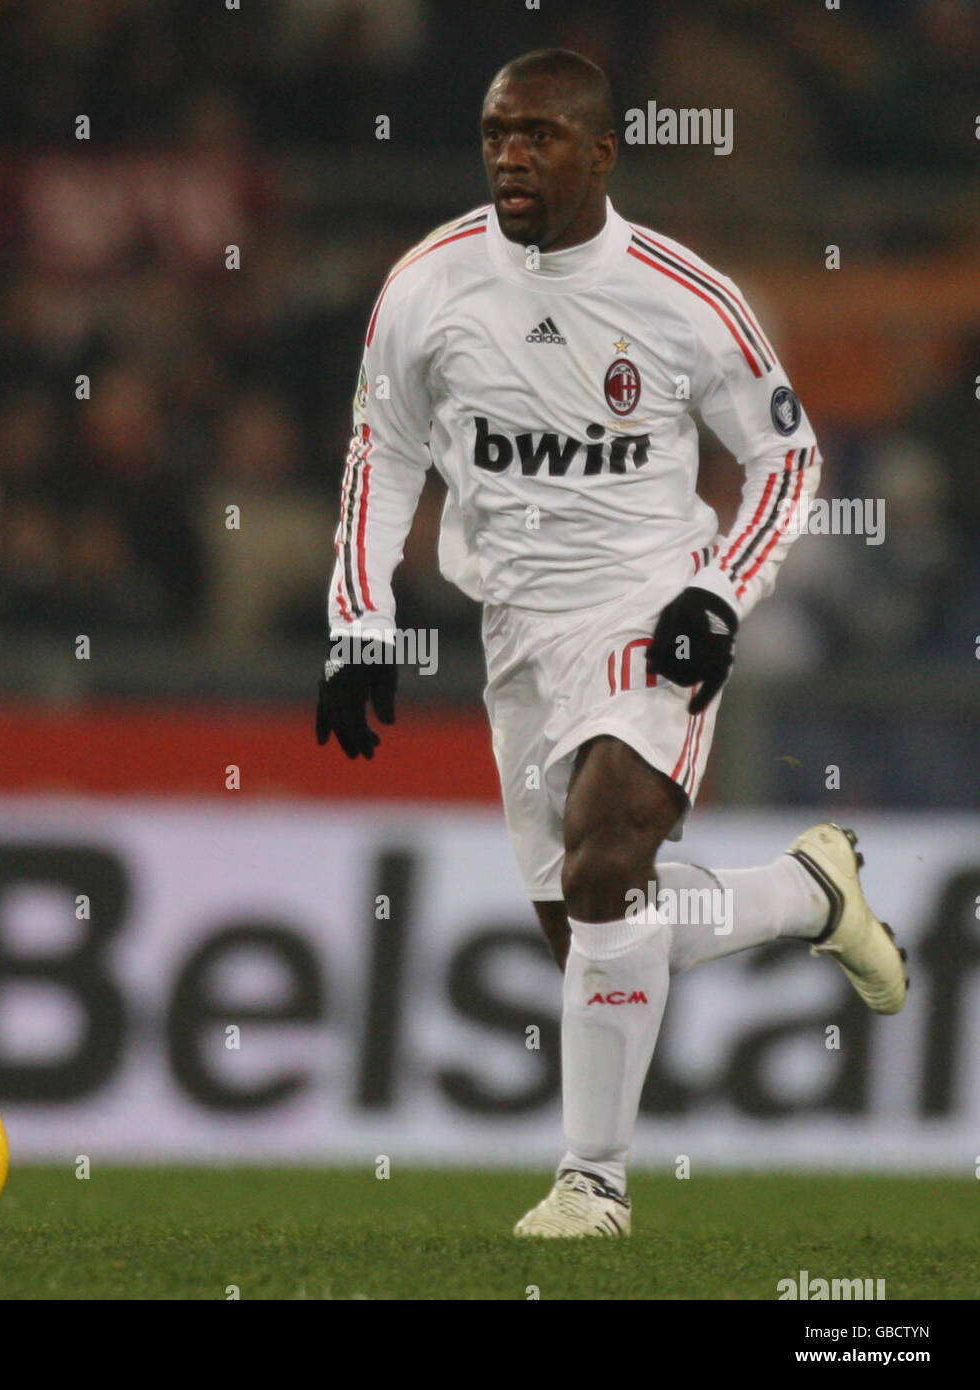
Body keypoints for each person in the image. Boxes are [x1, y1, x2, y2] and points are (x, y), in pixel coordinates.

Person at [315, 48, 907, 1237]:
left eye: (537, 135)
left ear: (600, 153)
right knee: (587, 924)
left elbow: (787, 456)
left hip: (650, 606)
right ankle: (803, 895)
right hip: (515, 628)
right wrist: (358, 620)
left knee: (602, 866)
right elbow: (384, 453)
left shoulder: (681, 296)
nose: (510, 157)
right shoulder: (428, 285)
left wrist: (722, 595)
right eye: (495, 134)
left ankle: (593, 1180)